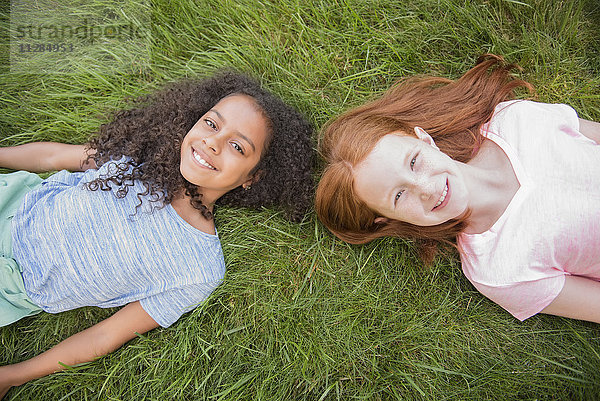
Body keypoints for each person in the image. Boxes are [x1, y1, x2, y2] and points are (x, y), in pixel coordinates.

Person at [0, 71, 314, 397]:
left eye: (237, 146)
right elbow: (54, 157)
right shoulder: (138, 159)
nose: (212, 142)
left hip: (11, 288)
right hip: (11, 202)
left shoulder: (200, 269)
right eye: (210, 124)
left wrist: (12, 375)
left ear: (253, 177)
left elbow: (104, 336)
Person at [315, 54, 600, 325]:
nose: (426, 188)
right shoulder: (497, 271)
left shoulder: (517, 120)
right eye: (399, 196)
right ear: (389, 219)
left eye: (414, 162)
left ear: (424, 139)